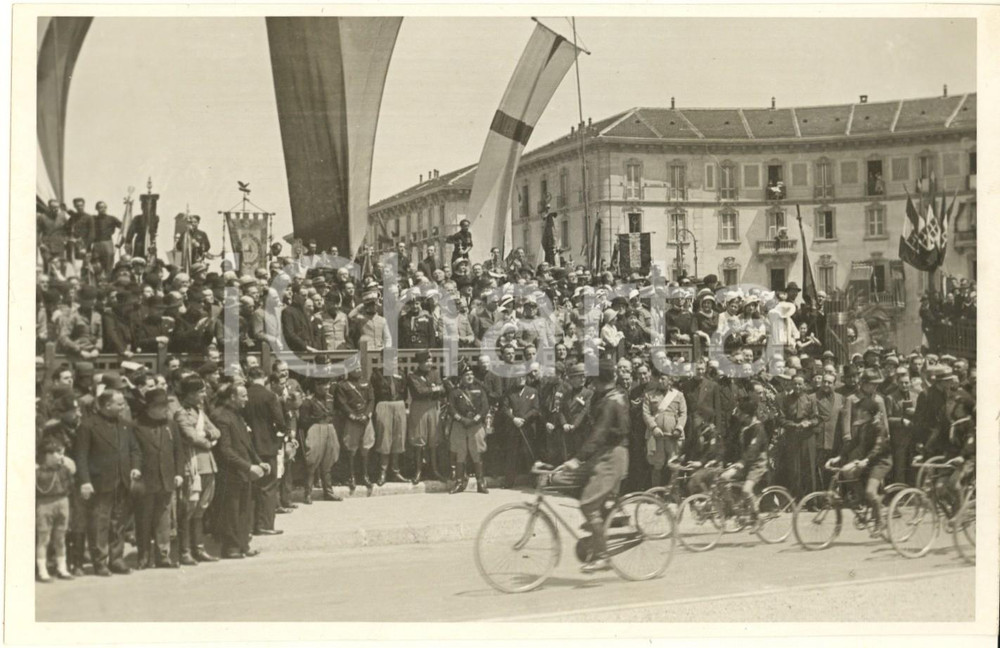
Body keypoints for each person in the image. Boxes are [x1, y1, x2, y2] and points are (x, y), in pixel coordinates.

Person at [558, 358, 630, 573]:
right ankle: (607, 517)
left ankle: (602, 555)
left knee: (587, 504)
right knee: (568, 481)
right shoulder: (614, 394)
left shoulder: (610, 401)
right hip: (607, 453)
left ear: (597, 381)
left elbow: (599, 433)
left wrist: (577, 459)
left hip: (611, 456)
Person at [75, 389, 141, 576]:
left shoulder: (125, 424)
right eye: (120, 403)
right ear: (106, 405)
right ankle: (100, 561)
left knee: (118, 523)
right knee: (99, 524)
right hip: (100, 483)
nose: (124, 406)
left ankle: (117, 559)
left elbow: (135, 449)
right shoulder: (88, 426)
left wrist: (135, 467)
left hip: (122, 482)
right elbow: (81, 456)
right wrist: (85, 481)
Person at [131, 388, 184, 569]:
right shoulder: (137, 425)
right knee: (144, 520)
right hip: (146, 480)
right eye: (161, 407)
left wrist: (179, 473)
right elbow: (135, 452)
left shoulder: (170, 424)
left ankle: (163, 556)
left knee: (164, 520)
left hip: (167, 479)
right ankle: (143, 557)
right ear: (150, 407)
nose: (165, 410)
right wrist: (136, 470)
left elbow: (178, 451)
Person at [213, 383, 266, 559]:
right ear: (232, 397)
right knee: (231, 512)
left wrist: (259, 462)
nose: (246, 399)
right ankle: (231, 547)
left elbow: (247, 445)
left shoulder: (237, 416)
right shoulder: (221, 417)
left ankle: (243, 544)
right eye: (243, 396)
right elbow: (225, 450)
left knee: (244, 511)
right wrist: (248, 466)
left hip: (243, 472)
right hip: (230, 473)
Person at [174, 375, 221, 564]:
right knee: (189, 509)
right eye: (200, 391)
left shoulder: (200, 412)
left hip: (207, 464)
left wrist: (206, 434)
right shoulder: (181, 413)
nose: (203, 395)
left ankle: (198, 548)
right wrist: (208, 440)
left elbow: (217, 431)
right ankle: (185, 551)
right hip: (191, 465)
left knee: (201, 508)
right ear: (190, 393)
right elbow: (191, 437)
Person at [244, 367, 284, 536]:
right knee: (268, 486)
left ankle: (251, 524)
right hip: (267, 445)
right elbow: (280, 422)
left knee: (252, 485)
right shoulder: (269, 396)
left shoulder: (244, 394)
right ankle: (265, 524)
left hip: (248, 445)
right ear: (264, 378)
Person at [36, 435, 76, 582]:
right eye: (57, 453)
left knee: (61, 537)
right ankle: (42, 570)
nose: (61, 456)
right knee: (44, 538)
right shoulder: (38, 471)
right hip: (45, 504)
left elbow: (71, 484)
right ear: (47, 454)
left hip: (62, 502)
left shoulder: (64, 469)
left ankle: (62, 568)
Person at [448, 361, 490, 494]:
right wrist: (461, 419)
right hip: (460, 425)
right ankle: (459, 482)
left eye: (471, 374)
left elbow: (485, 407)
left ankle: (480, 482)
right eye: (467, 375)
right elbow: (451, 408)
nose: (470, 377)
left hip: (475, 425)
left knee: (477, 452)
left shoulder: (480, 390)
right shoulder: (455, 392)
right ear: (461, 377)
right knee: (460, 453)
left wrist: (475, 419)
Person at [642, 367, 687, 489]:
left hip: (673, 437)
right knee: (657, 466)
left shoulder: (679, 395)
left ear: (670, 381)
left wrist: (679, 428)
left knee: (674, 466)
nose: (660, 381)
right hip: (657, 437)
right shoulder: (649, 395)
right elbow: (646, 413)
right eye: (659, 378)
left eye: (663, 378)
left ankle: (673, 493)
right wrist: (654, 427)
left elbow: (683, 414)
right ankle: (655, 493)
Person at [334, 366, 376, 491]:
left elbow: (371, 399)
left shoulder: (366, 382)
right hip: (352, 420)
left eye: (359, 367)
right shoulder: (343, 385)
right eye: (354, 368)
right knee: (351, 448)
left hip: (366, 419)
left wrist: (367, 414)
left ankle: (365, 475)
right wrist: (353, 416)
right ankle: (351, 476)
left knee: (366, 447)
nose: (358, 370)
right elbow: (342, 403)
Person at [406, 350, 446, 483]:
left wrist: (433, 389)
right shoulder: (412, 375)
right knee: (419, 439)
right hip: (419, 407)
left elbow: (443, 390)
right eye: (426, 361)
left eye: (430, 361)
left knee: (434, 438)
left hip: (433, 407)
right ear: (420, 363)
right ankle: (418, 471)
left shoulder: (435, 373)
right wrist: (434, 388)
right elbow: (419, 392)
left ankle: (434, 470)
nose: (430, 363)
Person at [371, 366, 408, 486]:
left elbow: (405, 392)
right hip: (384, 404)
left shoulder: (401, 373)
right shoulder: (377, 374)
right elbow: (374, 393)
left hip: (398, 405)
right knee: (384, 439)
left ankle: (395, 471)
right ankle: (383, 472)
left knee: (398, 438)